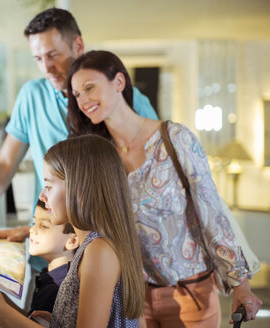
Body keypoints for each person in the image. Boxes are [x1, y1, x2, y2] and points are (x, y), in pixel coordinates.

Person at [66, 50, 262, 326]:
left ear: (119, 82)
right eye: (76, 95)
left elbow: (212, 214)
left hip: (192, 295)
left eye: (89, 87)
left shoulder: (175, 139)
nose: (83, 100)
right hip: (133, 299)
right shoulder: (100, 156)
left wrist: (240, 283)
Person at [0, 8, 158, 232]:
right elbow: (3, 166)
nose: (47, 68)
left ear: (78, 46)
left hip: (103, 243)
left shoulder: (124, 100)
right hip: (49, 246)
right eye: (38, 59)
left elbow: (147, 178)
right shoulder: (32, 96)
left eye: (53, 55)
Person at [0, 135, 144, 328]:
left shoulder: (99, 251)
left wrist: (0, 312)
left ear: (80, 190)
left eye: (49, 186)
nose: (42, 196)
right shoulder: (94, 247)